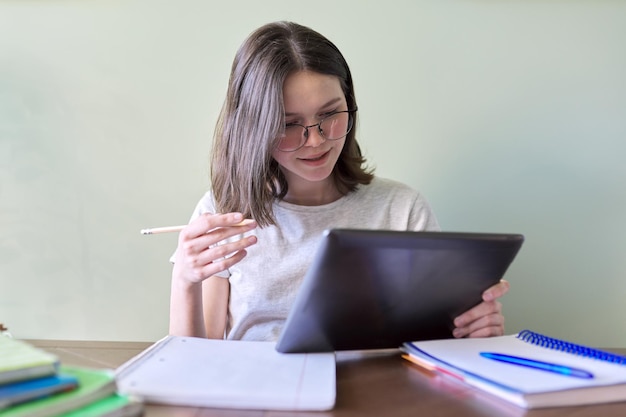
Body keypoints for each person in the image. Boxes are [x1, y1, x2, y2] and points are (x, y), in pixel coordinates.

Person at [169, 21, 509, 342]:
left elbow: (431, 347)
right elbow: (194, 359)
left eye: (330, 114)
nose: (316, 141)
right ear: (255, 128)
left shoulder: (401, 210)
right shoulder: (223, 214)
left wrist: (469, 333)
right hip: (258, 396)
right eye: (289, 124)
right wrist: (185, 279)